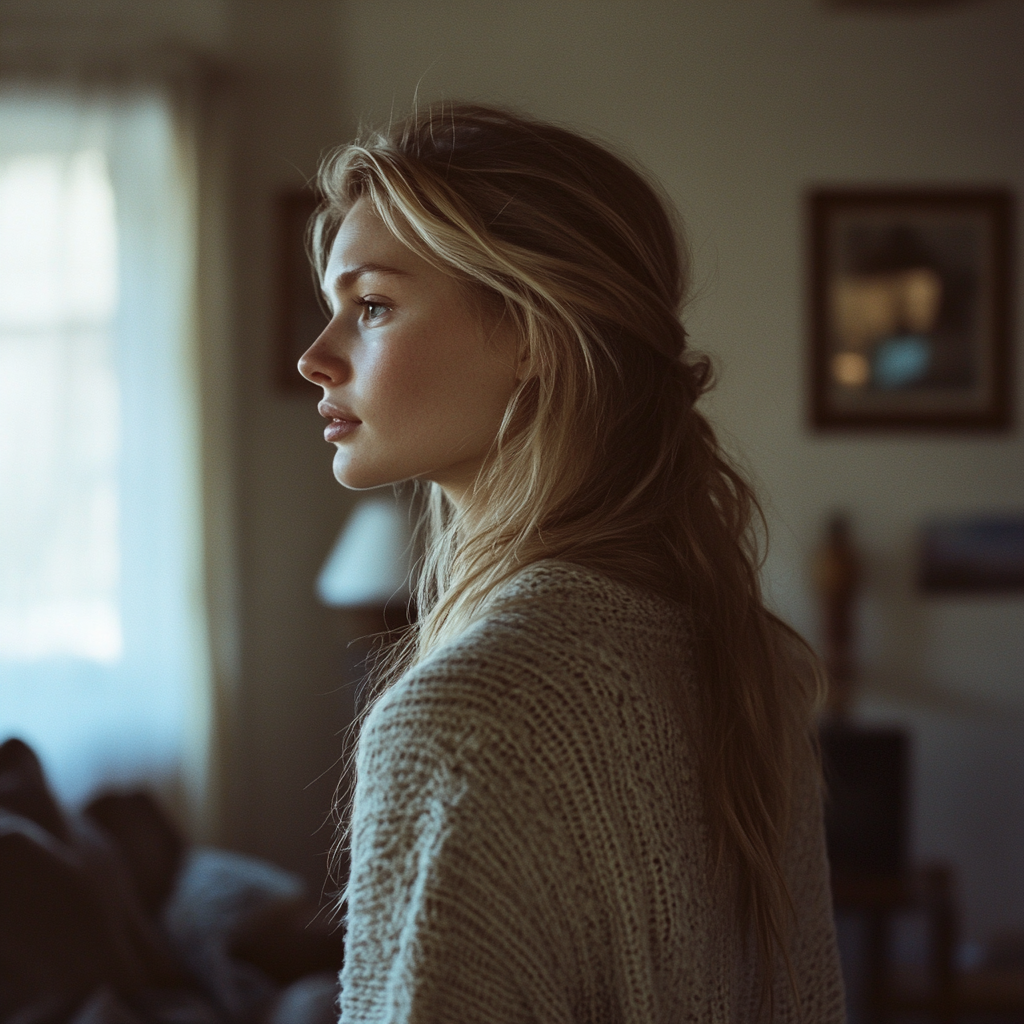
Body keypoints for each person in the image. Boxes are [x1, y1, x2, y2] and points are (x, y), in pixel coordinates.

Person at [298, 103, 845, 1024]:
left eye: (374, 306)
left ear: (534, 334)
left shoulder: (461, 723)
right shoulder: (746, 659)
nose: (316, 358)